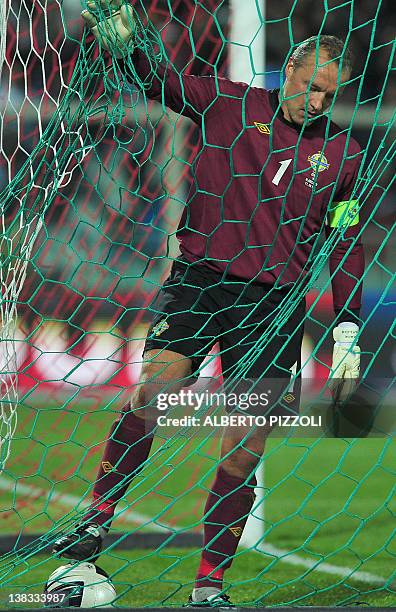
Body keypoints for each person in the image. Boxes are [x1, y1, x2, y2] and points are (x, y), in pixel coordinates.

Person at [53, 2, 363, 606]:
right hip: (201, 280)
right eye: (311, 87)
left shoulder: (345, 156)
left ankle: (208, 586)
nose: (317, 103)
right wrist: (131, 40)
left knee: (244, 449)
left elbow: (346, 243)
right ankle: (95, 519)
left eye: (330, 94)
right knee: (153, 392)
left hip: (275, 306)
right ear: (290, 69)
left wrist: (346, 327)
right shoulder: (227, 100)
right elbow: (160, 84)